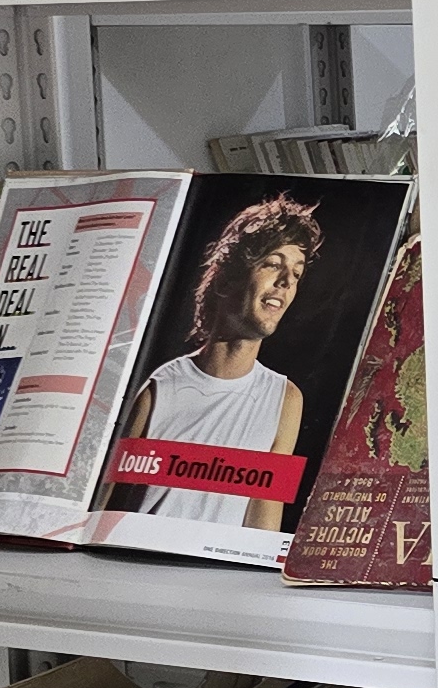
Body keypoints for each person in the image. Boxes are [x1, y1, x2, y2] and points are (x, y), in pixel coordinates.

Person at [114, 194, 322, 529]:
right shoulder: (158, 388)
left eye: (296, 273)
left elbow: (262, 530)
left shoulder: (285, 399)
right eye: (273, 263)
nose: (286, 282)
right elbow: (109, 510)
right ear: (227, 279)